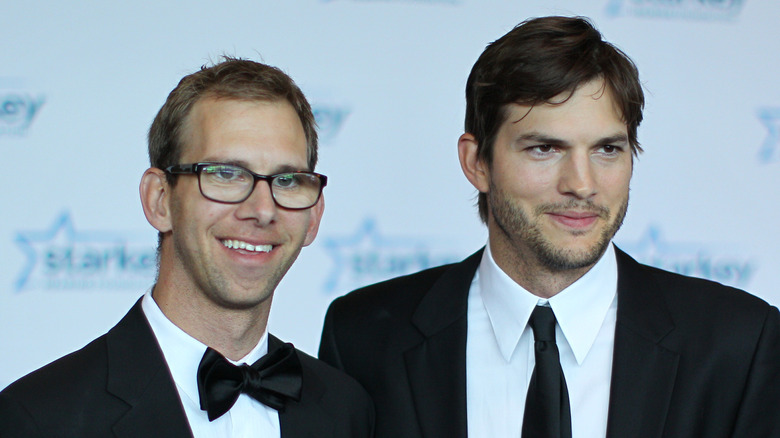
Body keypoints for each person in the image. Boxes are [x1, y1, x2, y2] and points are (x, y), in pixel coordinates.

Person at [319, 16, 780, 438]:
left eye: (607, 150)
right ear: (477, 163)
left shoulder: (738, 343)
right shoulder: (363, 337)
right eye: (545, 149)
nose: (582, 184)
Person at [0, 58, 374, 438]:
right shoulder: (41, 419)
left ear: (314, 215)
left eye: (288, 180)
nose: (262, 210)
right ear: (160, 200)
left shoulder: (347, 412)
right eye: (226, 174)